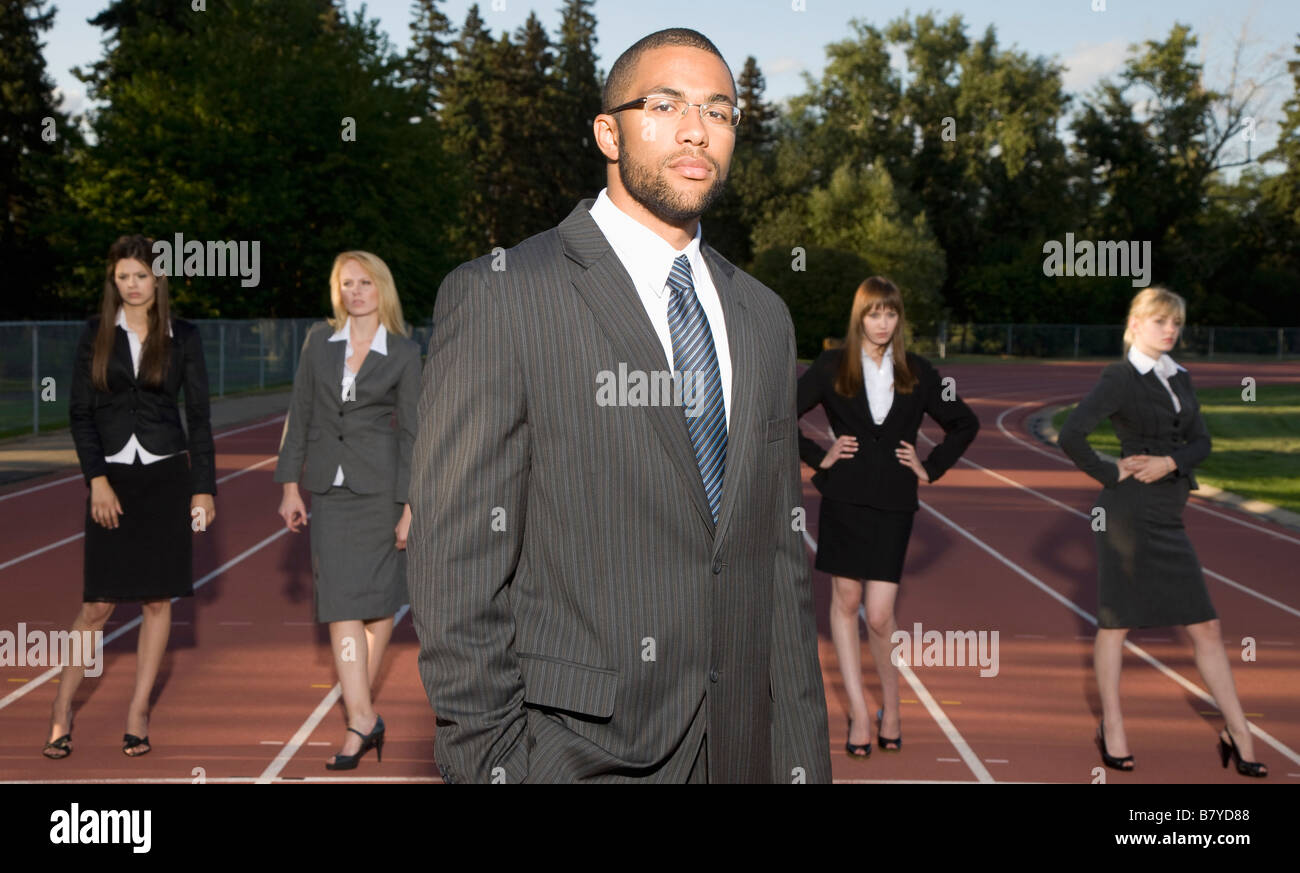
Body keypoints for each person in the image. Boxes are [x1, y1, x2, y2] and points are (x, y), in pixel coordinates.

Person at [408, 28, 830, 783]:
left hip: (740, 751)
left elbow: (777, 570)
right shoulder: (503, 294)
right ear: (609, 131)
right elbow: (456, 570)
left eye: (720, 111)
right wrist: (497, 766)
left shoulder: (765, 317)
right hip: (573, 751)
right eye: (664, 105)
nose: (697, 129)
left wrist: (801, 763)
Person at [1059, 286, 1267, 777]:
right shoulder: (1120, 377)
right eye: (1159, 321)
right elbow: (1072, 434)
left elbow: (1202, 442)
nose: (1170, 329)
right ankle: (1112, 726)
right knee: (1115, 624)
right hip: (1128, 516)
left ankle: (1238, 733)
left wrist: (1169, 460)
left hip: (1169, 516)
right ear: (1135, 326)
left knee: (1207, 626)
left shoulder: (1182, 377)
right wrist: (1112, 471)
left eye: (1175, 322)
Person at [47, 234, 217, 760]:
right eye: (124, 276)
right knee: (96, 605)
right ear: (113, 280)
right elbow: (79, 413)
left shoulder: (183, 336)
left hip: (166, 478)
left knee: (156, 600)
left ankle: (138, 712)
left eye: (141, 275)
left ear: (157, 279)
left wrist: (203, 489)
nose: (133, 285)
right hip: (112, 484)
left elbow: (201, 418)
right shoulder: (95, 335)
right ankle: (61, 709)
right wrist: (96, 480)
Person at [796, 277, 979, 758]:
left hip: (895, 502)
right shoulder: (832, 365)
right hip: (845, 499)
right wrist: (819, 456)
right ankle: (858, 711)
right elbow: (777, 412)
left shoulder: (917, 371)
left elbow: (964, 423)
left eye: (890, 314)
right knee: (846, 598)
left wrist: (930, 466)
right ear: (859, 317)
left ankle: (891, 707)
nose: (882, 322)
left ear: (899, 319)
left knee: (879, 616)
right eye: (874, 313)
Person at [274, 251, 421, 770]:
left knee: (380, 605)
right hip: (329, 493)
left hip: (382, 493)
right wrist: (290, 485)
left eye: (363, 282)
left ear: (381, 287)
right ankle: (362, 717)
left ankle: (361, 716)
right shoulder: (319, 343)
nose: (354, 292)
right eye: (345, 284)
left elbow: (413, 435)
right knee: (340, 604)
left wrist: (409, 507)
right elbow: (301, 413)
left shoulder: (404, 353)